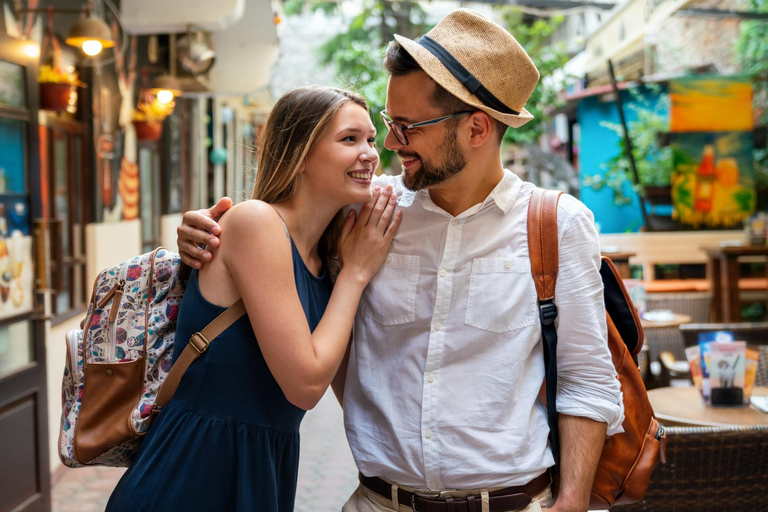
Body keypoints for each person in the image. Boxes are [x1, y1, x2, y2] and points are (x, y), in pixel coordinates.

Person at [177, 9, 623, 512]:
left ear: (477, 129)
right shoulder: (366, 209)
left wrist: (572, 502)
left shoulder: (558, 225)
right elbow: (277, 234)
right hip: (378, 502)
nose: (389, 144)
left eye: (407, 127)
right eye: (389, 124)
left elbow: (588, 378)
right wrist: (200, 233)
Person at [106, 86, 401, 512]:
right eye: (349, 139)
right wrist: (355, 274)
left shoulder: (324, 252)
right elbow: (306, 385)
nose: (371, 153)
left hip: (262, 468)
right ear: (299, 154)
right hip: (192, 472)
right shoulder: (256, 222)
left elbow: (348, 382)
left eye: (371, 139)